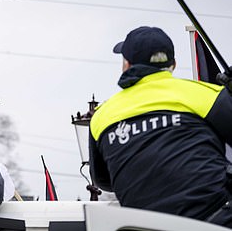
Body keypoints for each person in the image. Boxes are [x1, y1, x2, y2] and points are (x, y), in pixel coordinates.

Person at [89, 26, 232, 228]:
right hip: (216, 221)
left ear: (126, 64)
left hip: (146, 226)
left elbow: (103, 180)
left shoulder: (102, 116)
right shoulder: (207, 95)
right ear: (173, 64)